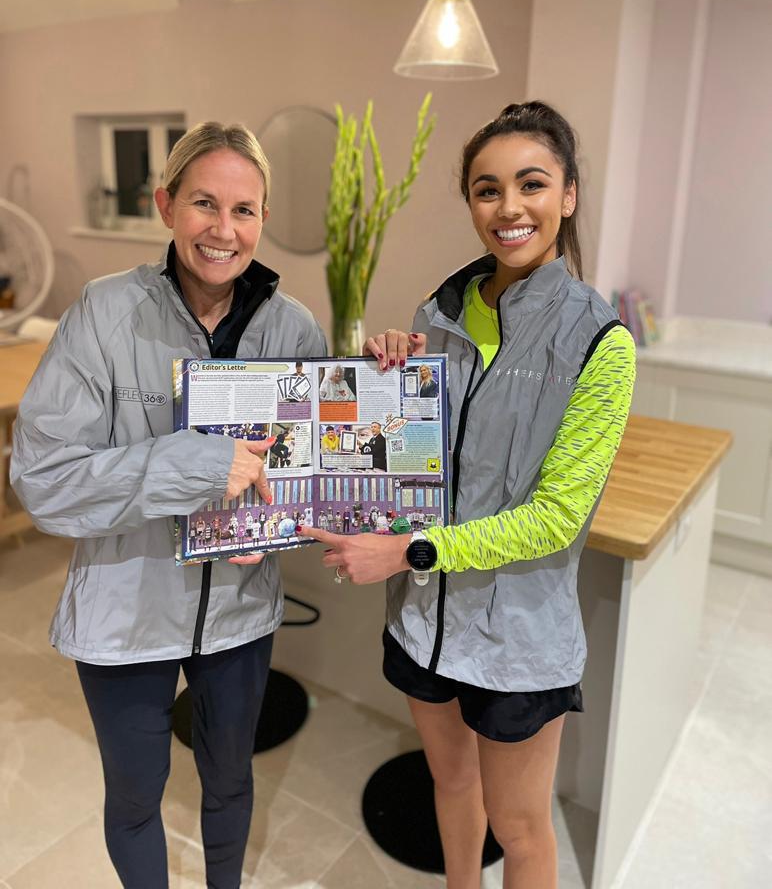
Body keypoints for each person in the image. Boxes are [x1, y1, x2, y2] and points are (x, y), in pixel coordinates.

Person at [301, 102, 635, 889]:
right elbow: (415, 464)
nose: (509, 207)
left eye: (532, 184)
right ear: (471, 203)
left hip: (518, 641)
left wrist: (411, 550)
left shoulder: (600, 342)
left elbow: (555, 519)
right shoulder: (439, 316)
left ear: (569, 195)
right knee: (451, 787)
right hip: (424, 624)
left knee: (521, 831)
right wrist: (390, 373)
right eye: (488, 189)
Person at [11, 121, 326, 889]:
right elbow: (43, 477)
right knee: (133, 798)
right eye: (204, 204)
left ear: (263, 218)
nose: (224, 230)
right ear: (165, 205)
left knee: (230, 785)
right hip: (125, 614)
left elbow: (308, 476)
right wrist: (189, 465)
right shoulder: (102, 312)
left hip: (240, 615)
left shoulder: (294, 329)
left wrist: (275, 532)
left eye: (245, 210)